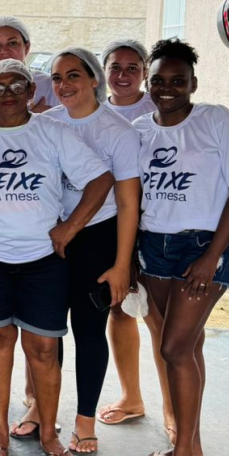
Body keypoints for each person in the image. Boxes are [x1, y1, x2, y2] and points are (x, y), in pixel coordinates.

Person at [0, 60, 113, 456]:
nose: (7, 94)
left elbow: (101, 179)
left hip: (43, 260)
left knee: (43, 348)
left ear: (32, 92)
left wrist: (70, 227)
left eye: (17, 86)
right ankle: (0, 432)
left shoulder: (53, 132)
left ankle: (48, 434)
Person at [134, 38, 229, 456]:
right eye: (159, 80)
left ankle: (183, 452)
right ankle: (190, 444)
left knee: (174, 349)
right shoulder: (139, 130)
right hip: (153, 246)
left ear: (194, 84)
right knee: (188, 346)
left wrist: (211, 258)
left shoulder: (217, 120)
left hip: (203, 246)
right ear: (148, 83)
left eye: (178, 80)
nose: (167, 88)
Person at [21, 49, 141, 454]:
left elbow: (128, 204)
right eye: (56, 78)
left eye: (73, 75)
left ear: (94, 80)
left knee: (89, 331)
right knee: (45, 329)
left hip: (97, 239)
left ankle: (85, 421)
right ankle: (41, 409)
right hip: (50, 237)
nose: (64, 85)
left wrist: (122, 264)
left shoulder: (119, 131)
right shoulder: (45, 123)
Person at [0, 16, 54, 418]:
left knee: (44, 340)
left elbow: (94, 173)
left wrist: (69, 227)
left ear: (27, 48)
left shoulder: (49, 91)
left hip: (43, 244)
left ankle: (38, 408)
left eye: (12, 43)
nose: (5, 51)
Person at [96, 38, 165, 431]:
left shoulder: (159, 108)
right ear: (103, 71)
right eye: (115, 68)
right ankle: (131, 396)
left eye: (132, 68)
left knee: (158, 318)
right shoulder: (96, 111)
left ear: (145, 72)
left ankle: (175, 413)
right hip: (112, 225)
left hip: (154, 227)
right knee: (119, 308)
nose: (123, 75)